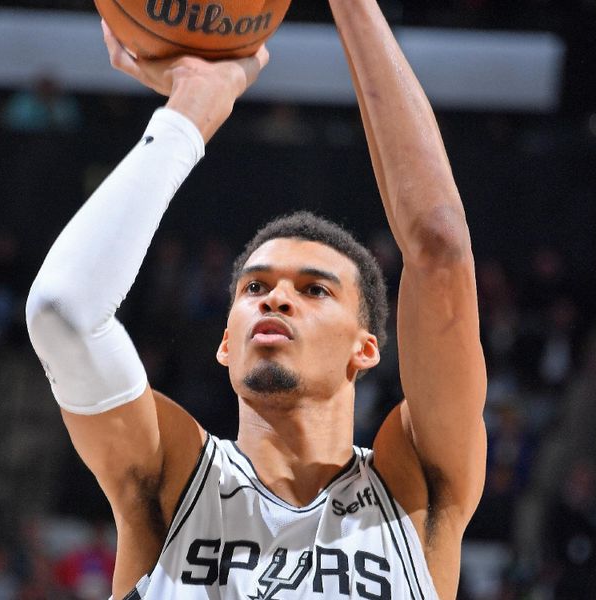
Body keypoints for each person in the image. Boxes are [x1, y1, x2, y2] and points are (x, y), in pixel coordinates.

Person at [26, 1, 486, 598]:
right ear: (225, 342)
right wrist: (191, 106)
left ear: (366, 349)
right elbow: (63, 312)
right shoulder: (174, 478)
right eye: (255, 287)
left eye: (315, 288)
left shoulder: (412, 492)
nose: (277, 300)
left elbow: (441, 250)